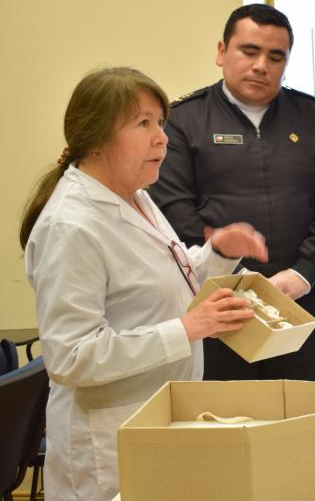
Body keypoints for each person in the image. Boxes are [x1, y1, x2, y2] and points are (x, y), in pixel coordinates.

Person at [20, 67, 269, 501]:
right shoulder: (71, 226)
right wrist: (189, 329)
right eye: (142, 123)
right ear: (96, 140)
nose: (162, 138)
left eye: (160, 122)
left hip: (157, 419)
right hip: (107, 442)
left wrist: (219, 252)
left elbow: (163, 281)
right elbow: (71, 357)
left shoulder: (135, 193)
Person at [150, 3, 315, 382]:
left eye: (275, 56)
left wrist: (304, 272)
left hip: (298, 300)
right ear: (220, 52)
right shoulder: (185, 120)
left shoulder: (312, 117)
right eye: (249, 51)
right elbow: (173, 209)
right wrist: (228, 275)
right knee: (223, 426)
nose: (261, 65)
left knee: (303, 421)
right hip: (217, 306)